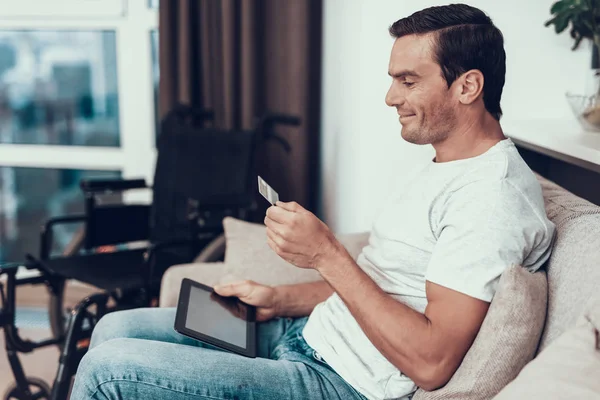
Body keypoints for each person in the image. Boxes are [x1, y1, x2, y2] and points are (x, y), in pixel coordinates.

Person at [71, 4, 556, 400]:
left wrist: (325, 252)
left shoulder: (492, 200)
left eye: (408, 81)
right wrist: (279, 301)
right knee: (115, 327)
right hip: (306, 336)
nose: (390, 97)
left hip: (338, 383)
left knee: (107, 369)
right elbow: (384, 286)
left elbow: (431, 362)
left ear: (468, 86)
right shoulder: (446, 163)